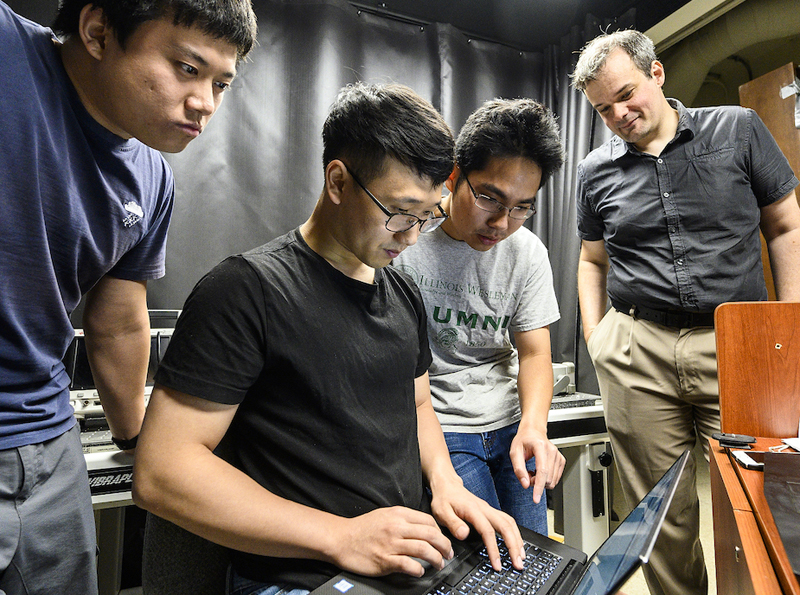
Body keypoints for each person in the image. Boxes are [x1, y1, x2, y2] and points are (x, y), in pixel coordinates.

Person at [132, 82, 527, 595]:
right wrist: (341, 537)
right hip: (303, 575)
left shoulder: (402, 293)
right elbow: (163, 473)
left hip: (404, 565)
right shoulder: (246, 291)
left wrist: (446, 482)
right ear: (338, 181)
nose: (411, 236)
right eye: (399, 212)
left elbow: (418, 403)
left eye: (428, 215)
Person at [0, 1, 257, 594]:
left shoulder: (151, 178)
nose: (205, 103)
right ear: (98, 32)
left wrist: (136, 439)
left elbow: (116, 322)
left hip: (46, 434)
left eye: (221, 83)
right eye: (187, 69)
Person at [571, 29, 800, 595]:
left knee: (758, 504)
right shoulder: (595, 170)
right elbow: (591, 260)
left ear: (656, 74)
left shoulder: (738, 129)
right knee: (660, 516)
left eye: (626, 95)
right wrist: (597, 337)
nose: (619, 115)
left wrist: (788, 329)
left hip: (738, 343)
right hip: (638, 350)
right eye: (603, 109)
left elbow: (785, 226)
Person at [393, 98, 566, 535]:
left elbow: (535, 354)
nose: (502, 223)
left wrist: (534, 427)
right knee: (490, 547)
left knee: (534, 546)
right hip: (443, 425)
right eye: (490, 198)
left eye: (522, 207)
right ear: (453, 176)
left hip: (509, 421)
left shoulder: (527, 254)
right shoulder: (405, 243)